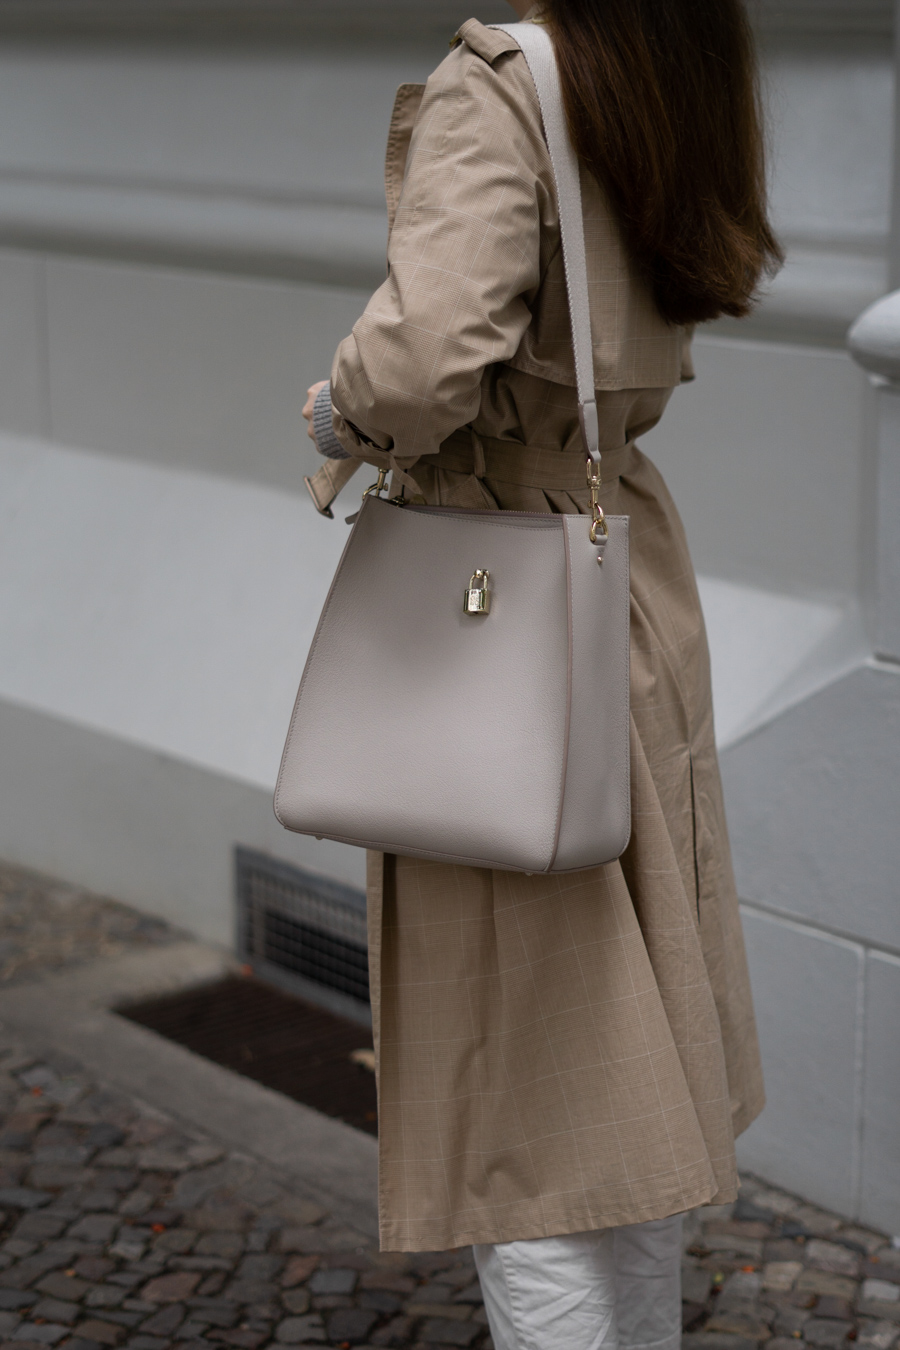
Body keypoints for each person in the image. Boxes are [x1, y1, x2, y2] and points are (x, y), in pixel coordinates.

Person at [301, 1, 782, 1346]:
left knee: (527, 1112)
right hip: (617, 580)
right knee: (626, 1072)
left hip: (492, 608)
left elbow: (424, 353)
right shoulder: (674, 64)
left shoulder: (504, 78)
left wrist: (337, 409)